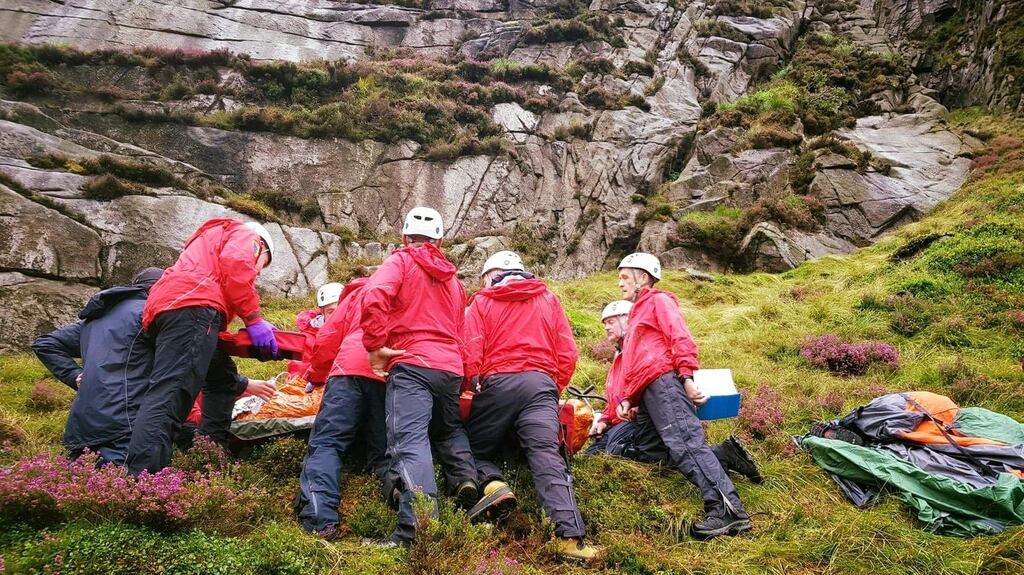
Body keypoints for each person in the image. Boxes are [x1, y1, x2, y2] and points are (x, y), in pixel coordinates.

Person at [462, 251, 600, 563]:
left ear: (491, 275)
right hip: (540, 385)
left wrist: (473, 381)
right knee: (547, 455)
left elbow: (470, 348)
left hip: (499, 384)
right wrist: (552, 388)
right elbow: (568, 352)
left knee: (471, 447)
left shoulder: (482, 302)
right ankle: (570, 540)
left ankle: (494, 484)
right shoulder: (548, 299)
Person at [360, 207, 478, 547]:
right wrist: (464, 375)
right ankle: (465, 481)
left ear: (404, 237)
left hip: (412, 364)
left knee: (409, 443)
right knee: (447, 430)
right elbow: (463, 332)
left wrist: (374, 346)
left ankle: (415, 532)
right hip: (450, 369)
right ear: (440, 241)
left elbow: (373, 295)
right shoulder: (454, 282)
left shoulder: (400, 261)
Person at [613, 253, 753, 539]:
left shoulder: (658, 301)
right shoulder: (637, 313)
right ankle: (723, 455)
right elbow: (635, 362)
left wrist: (687, 377)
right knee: (652, 452)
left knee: (687, 444)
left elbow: (680, 337)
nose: (620, 283)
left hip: (664, 383)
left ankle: (729, 511)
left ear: (643, 277)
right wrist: (630, 398)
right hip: (647, 392)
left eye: (625, 277)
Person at [125, 218, 279, 475]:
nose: (260, 272)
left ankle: (209, 456)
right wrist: (253, 319)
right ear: (262, 248)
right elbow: (237, 264)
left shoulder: (207, 246)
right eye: (264, 264)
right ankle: (143, 479)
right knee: (170, 397)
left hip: (175, 309)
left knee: (222, 379)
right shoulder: (247, 236)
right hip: (194, 307)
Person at [587, 300, 762, 485]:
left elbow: (657, 384)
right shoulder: (619, 357)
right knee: (592, 456)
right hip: (624, 422)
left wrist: (639, 404)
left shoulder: (645, 353)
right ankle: (719, 458)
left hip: (648, 418)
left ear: (627, 320)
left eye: (611, 321)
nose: (606, 327)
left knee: (625, 452)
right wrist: (604, 420)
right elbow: (615, 398)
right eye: (604, 323)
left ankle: (721, 455)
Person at [31, 268, 164, 465]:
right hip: (126, 420)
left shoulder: (96, 318)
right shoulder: (149, 314)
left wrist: (74, 375)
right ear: (160, 287)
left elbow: (45, 344)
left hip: (85, 420)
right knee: (125, 481)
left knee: (78, 480)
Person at [295, 277, 390, 537]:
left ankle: (320, 519)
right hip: (386, 375)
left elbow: (328, 338)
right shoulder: (401, 294)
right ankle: (401, 508)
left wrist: (316, 376)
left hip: (347, 372)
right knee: (385, 451)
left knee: (327, 444)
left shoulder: (356, 295)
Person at [288, 281, 344, 381]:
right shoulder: (308, 338)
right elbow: (299, 370)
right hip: (319, 384)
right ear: (322, 312)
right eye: (331, 311)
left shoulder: (356, 331)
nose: (337, 316)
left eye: (340, 310)